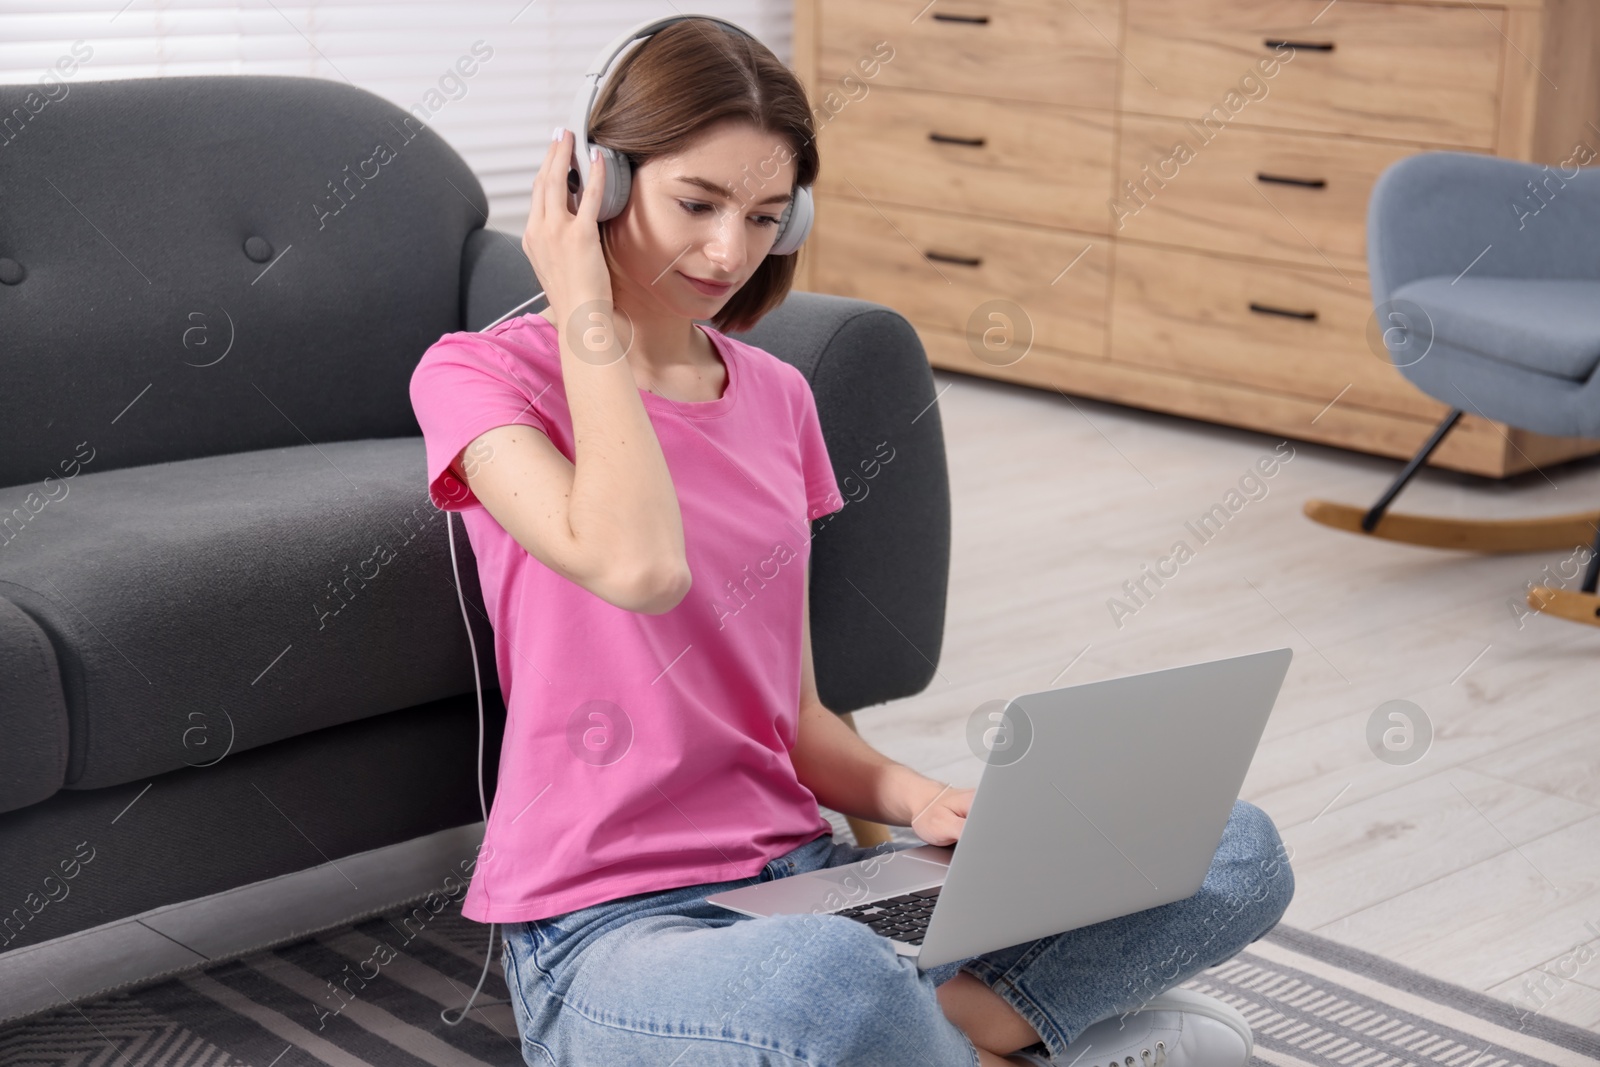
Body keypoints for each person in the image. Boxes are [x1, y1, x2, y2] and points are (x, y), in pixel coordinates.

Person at [408, 18, 1295, 1067]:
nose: (728, 252)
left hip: (805, 882)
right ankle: (1007, 1030)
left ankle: (955, 1035)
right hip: (609, 929)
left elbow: (793, 714)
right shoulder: (477, 376)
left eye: (764, 217)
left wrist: (919, 796)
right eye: (696, 203)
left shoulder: (778, 396)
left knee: (1231, 843)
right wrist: (585, 314)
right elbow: (636, 562)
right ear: (599, 182)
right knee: (832, 985)